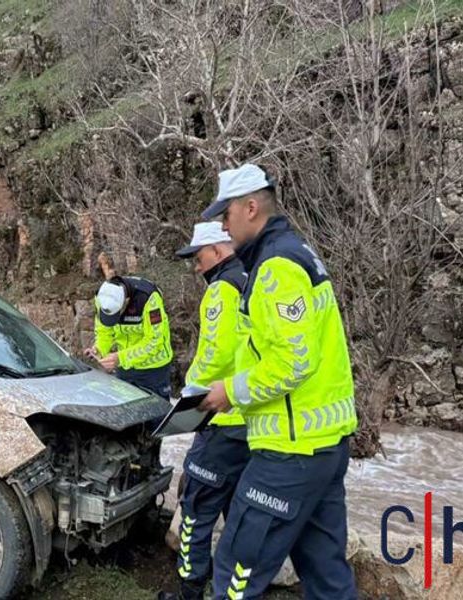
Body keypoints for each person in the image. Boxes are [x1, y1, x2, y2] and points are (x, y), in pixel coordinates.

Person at [197, 164, 358, 600]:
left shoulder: (276, 267)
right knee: (326, 575)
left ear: (251, 208)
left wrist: (230, 392)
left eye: (226, 214)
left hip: (289, 452)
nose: (223, 226)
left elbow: (292, 361)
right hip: (323, 445)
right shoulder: (296, 253)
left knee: (235, 570)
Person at [158, 222, 250, 600]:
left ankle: (190, 590)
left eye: (198, 258)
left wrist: (189, 391)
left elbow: (215, 353)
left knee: (195, 508)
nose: (197, 267)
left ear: (217, 250)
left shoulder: (221, 289)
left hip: (220, 418)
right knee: (240, 517)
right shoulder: (253, 278)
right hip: (254, 421)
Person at [92, 275, 173, 398]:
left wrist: (121, 358)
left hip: (154, 369)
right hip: (125, 367)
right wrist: (99, 349)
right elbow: (104, 332)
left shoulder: (148, 297)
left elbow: (155, 340)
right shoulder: (102, 297)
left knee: (156, 409)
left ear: (126, 301)